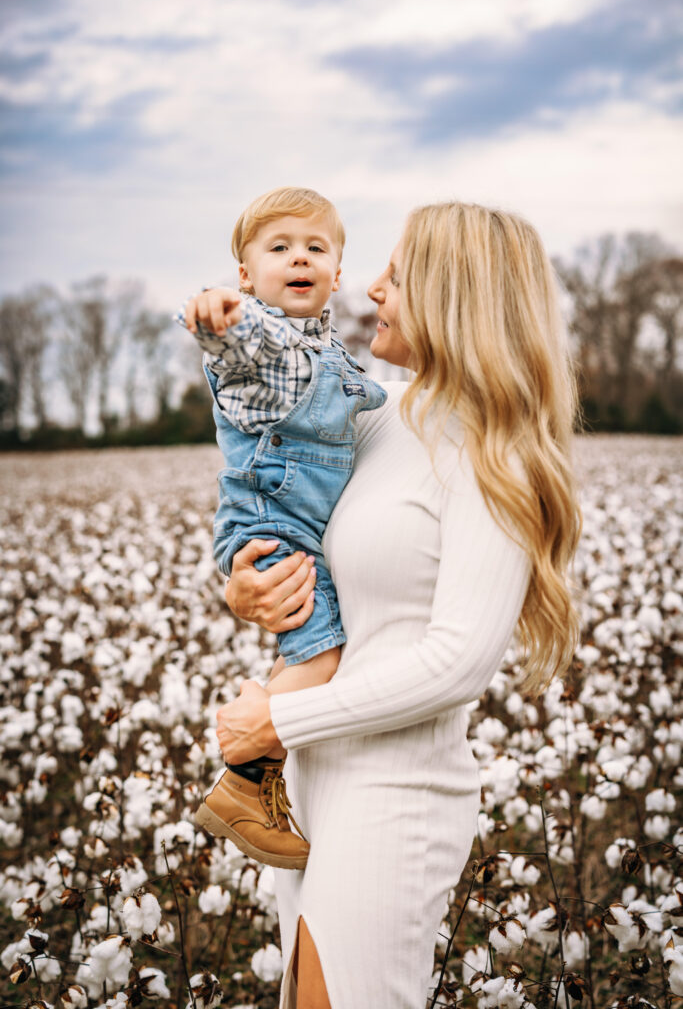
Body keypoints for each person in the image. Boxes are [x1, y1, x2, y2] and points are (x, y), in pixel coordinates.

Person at [197, 201, 581, 1009]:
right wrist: (240, 586)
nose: (369, 288)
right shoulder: (372, 418)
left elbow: (456, 663)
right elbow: (283, 511)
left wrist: (278, 723)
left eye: (397, 275)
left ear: (453, 294)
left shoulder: (491, 449)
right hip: (311, 787)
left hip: (394, 794)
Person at [178, 186, 386, 871]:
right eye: (278, 248)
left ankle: (262, 761)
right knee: (322, 657)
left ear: (336, 271)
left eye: (315, 248)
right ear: (245, 276)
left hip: (294, 532)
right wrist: (218, 316)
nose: (299, 257)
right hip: (276, 529)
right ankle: (243, 778)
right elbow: (237, 344)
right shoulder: (263, 344)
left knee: (310, 651)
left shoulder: (326, 348)